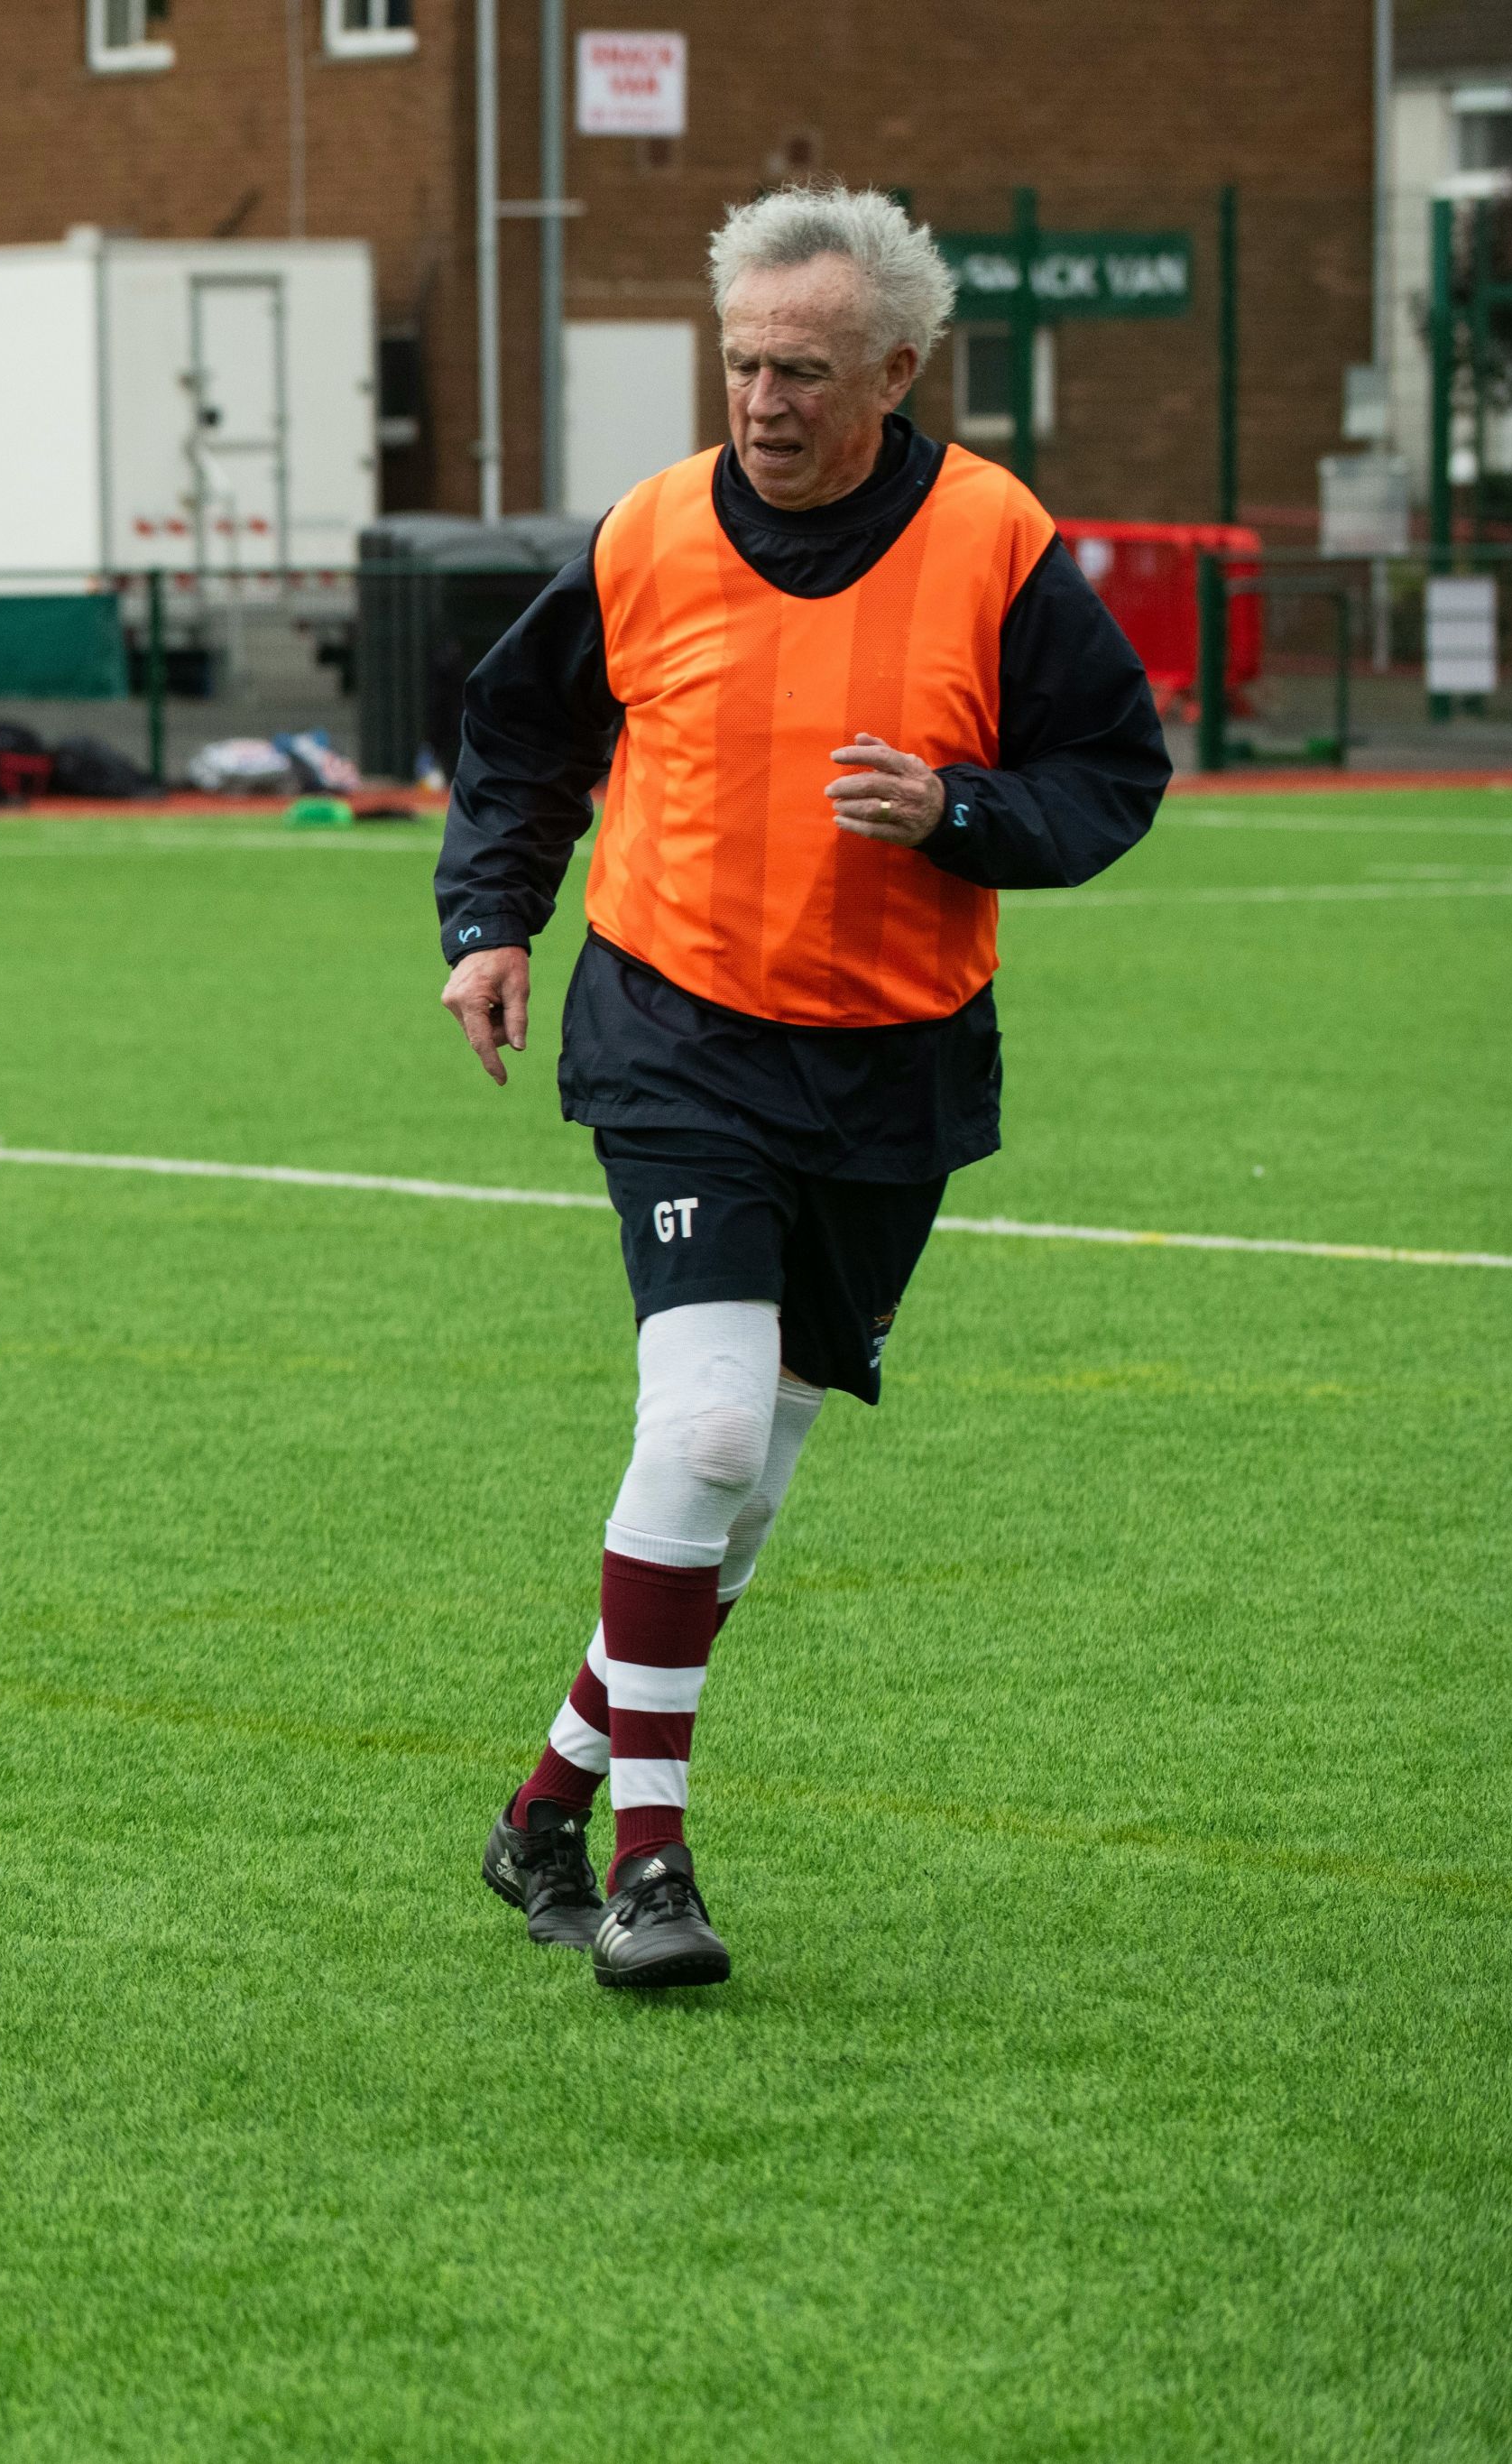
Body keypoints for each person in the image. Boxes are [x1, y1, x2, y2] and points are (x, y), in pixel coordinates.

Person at [434, 185, 1166, 1989]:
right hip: (675, 1031)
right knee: (689, 1439)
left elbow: (1109, 773)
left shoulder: (994, 540)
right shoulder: (649, 530)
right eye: (740, 363)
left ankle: (539, 1808)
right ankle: (650, 1870)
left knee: (736, 1496)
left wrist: (961, 812)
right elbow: (519, 727)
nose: (759, 401)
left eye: (801, 370)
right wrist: (489, 918)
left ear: (893, 371)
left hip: (893, 1062)